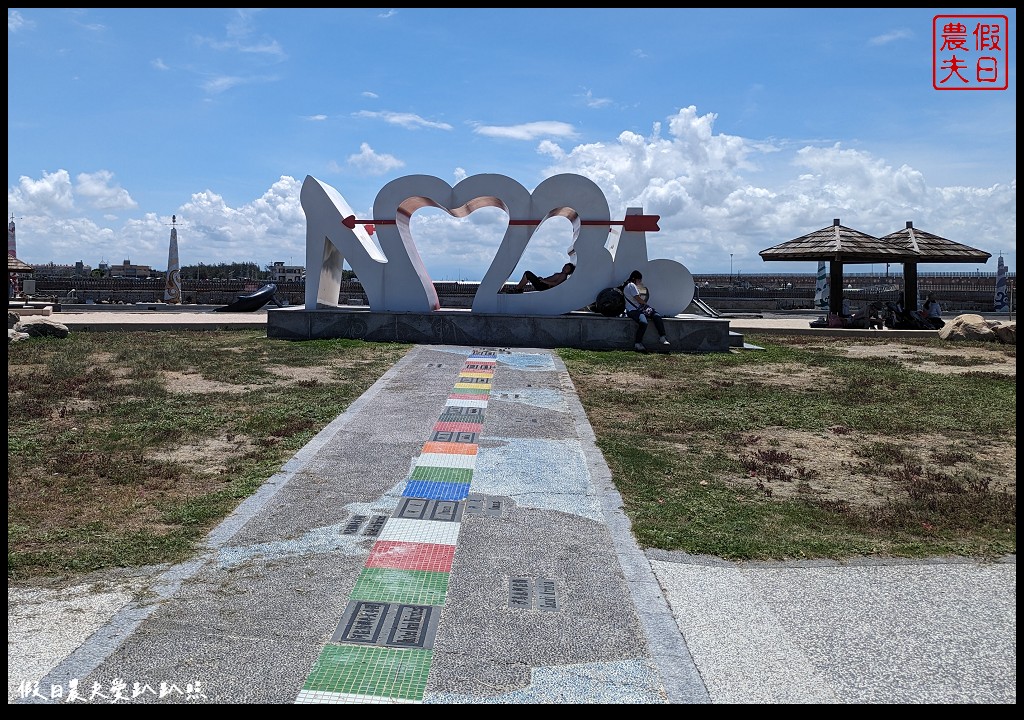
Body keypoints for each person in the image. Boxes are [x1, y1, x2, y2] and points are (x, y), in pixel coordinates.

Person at [622, 270, 670, 352]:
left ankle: (662, 337)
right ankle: (638, 343)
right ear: (635, 279)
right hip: (633, 310)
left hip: (637, 309)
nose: (640, 282)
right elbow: (638, 299)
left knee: (656, 316)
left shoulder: (628, 285)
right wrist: (645, 304)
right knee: (644, 322)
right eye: (639, 280)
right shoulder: (631, 285)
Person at [504, 262, 575, 293]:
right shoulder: (562, 274)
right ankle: (518, 288)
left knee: (528, 273)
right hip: (543, 284)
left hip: (543, 286)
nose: (565, 268)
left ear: (569, 271)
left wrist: (543, 281)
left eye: (567, 268)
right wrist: (543, 279)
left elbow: (556, 284)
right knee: (528, 274)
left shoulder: (563, 275)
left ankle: (517, 289)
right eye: (565, 266)